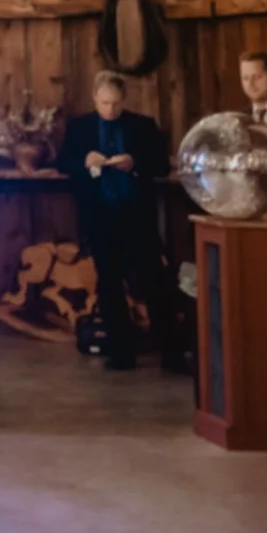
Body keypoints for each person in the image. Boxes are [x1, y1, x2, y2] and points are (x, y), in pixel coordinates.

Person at [57, 72, 172, 372]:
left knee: (152, 279)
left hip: (136, 214)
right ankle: (121, 352)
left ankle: (171, 351)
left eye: (116, 104)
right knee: (108, 284)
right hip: (100, 216)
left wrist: (134, 163)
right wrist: (85, 162)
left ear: (124, 101)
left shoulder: (142, 126)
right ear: (95, 98)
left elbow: (160, 163)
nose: (110, 110)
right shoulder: (79, 127)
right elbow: (62, 163)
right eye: (105, 103)